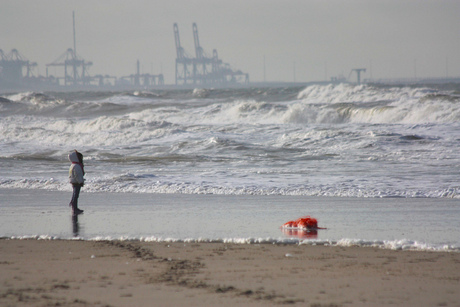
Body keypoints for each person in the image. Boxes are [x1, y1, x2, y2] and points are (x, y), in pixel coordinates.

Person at [68, 150, 85, 215]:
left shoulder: (73, 165)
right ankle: (75, 208)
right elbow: (77, 175)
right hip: (76, 182)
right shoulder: (76, 166)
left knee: (75, 195)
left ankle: (74, 206)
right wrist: (80, 182)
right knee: (76, 195)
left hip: (74, 181)